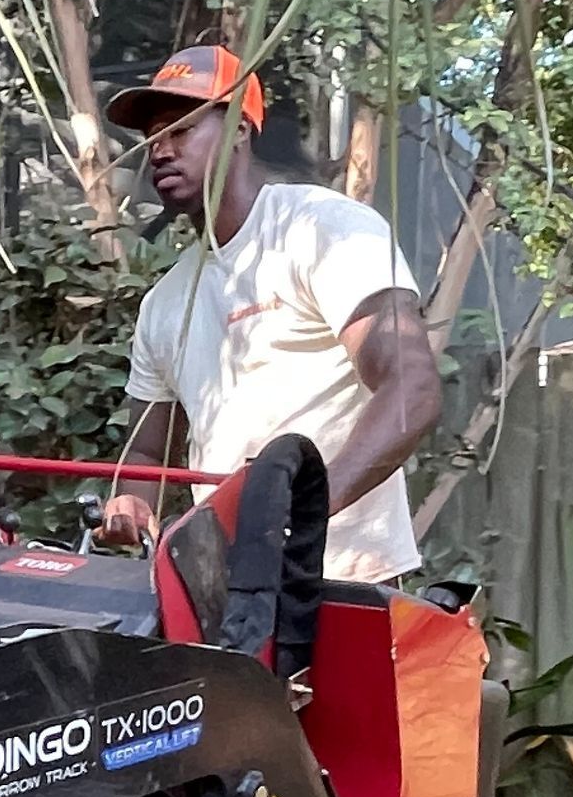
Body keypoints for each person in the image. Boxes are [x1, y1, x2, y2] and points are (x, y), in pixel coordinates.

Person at [97, 44, 441, 584]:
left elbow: (411, 388)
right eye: (152, 137)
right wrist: (132, 503)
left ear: (239, 126)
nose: (160, 149)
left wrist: (306, 510)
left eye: (180, 129)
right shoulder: (165, 303)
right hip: (224, 586)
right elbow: (147, 449)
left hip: (341, 580)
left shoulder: (322, 230)